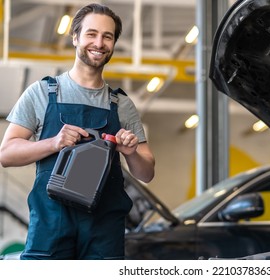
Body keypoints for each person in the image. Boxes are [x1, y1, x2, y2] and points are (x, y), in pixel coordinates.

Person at [0, 3, 155, 260]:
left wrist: (131, 154)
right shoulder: (42, 93)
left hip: (104, 228)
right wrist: (53, 143)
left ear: (114, 43)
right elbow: (6, 154)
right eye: (91, 34)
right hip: (51, 223)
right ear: (75, 38)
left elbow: (146, 173)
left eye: (108, 36)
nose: (99, 42)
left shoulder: (122, 105)